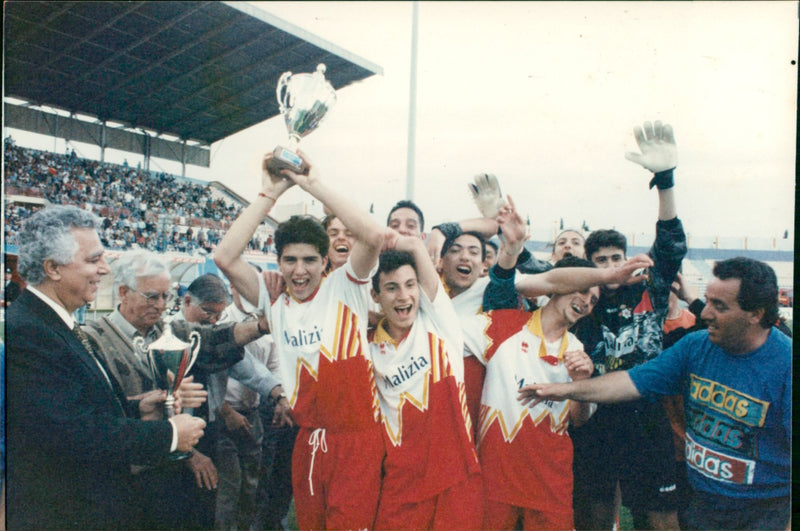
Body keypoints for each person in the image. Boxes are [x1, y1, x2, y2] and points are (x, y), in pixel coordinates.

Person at [519, 257, 791, 531]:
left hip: (762, 514)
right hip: (702, 503)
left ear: (755, 313)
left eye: (719, 306)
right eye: (707, 301)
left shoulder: (786, 366)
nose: (705, 313)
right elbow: (631, 382)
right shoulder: (696, 346)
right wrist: (563, 390)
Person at [214, 150, 390, 530]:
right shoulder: (274, 299)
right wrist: (269, 193)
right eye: (289, 260)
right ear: (278, 261)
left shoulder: (346, 288)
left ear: (325, 261)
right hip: (307, 439)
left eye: (310, 260)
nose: (299, 270)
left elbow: (375, 235)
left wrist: (310, 182)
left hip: (356, 440)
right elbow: (225, 257)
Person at [6, 205, 206, 529]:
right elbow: (72, 433)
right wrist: (168, 435)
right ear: (53, 268)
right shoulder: (29, 331)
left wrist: (137, 409)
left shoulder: (52, 323)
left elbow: (72, 409)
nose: (104, 269)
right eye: (93, 259)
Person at [471, 201, 654, 530]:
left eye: (593, 299)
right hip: (496, 478)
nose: (586, 301)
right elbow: (501, 284)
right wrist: (511, 247)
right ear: (559, 288)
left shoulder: (580, 351)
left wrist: (580, 385)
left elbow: (577, 421)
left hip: (550, 480)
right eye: (582, 291)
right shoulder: (508, 325)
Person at [82, 252, 277, 529]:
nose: (160, 305)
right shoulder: (93, 339)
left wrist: (261, 326)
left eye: (166, 296)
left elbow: (218, 338)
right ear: (123, 292)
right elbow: (95, 414)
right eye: (152, 296)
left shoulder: (170, 331)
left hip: (169, 471)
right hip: (124, 475)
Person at [563, 120, 687, 530]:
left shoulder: (647, 288)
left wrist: (664, 181)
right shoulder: (582, 301)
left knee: (660, 518)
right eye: (600, 261)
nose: (612, 267)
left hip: (646, 415)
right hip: (595, 414)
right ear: (589, 269)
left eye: (617, 258)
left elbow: (670, 243)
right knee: (594, 515)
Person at [369, 235, 483, 530]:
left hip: (457, 476)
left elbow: (419, 250)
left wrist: (397, 240)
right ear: (376, 296)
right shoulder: (366, 346)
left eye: (410, 285)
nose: (403, 296)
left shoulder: (438, 323)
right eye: (391, 288)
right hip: (402, 482)